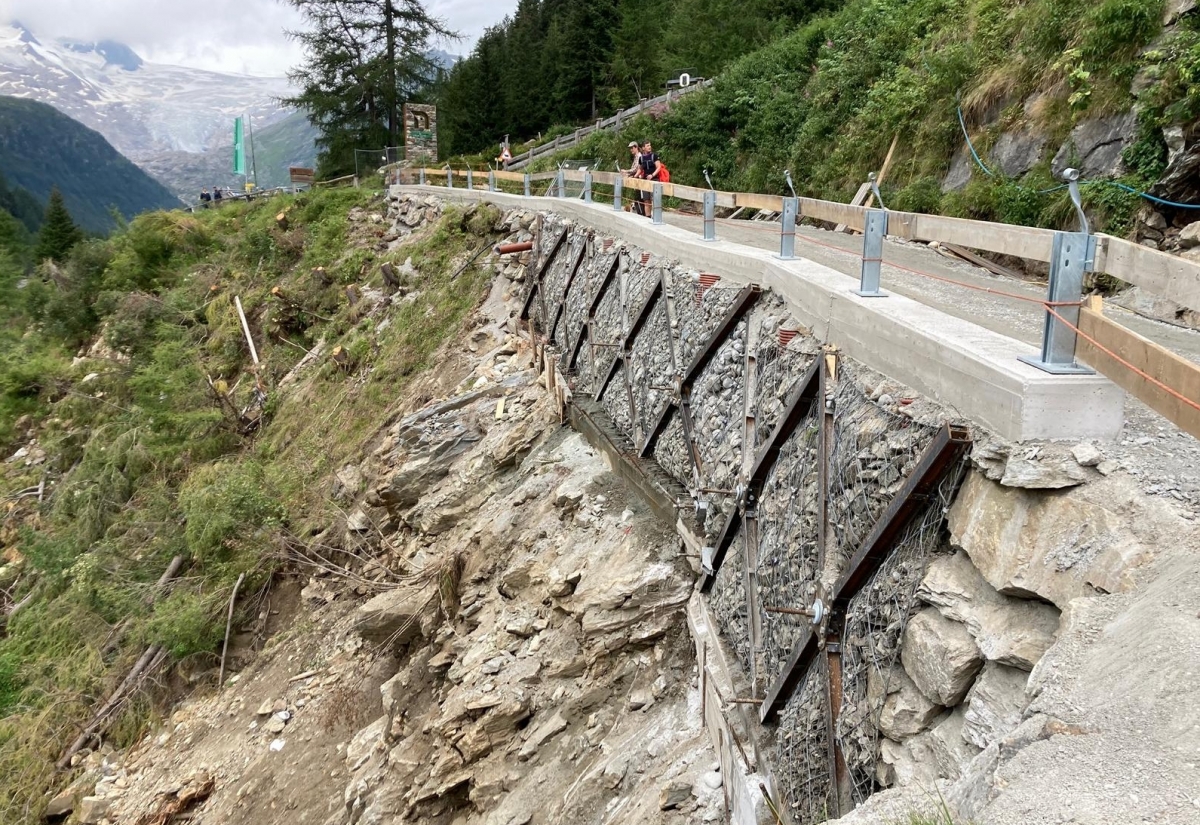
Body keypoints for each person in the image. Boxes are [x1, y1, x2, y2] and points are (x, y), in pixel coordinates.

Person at [626, 140, 645, 216]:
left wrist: (626, 171)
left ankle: (642, 215)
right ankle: (640, 214)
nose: (631, 150)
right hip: (636, 179)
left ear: (636, 147)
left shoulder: (639, 156)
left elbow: (636, 168)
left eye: (632, 148)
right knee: (637, 198)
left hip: (640, 180)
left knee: (640, 198)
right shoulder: (636, 157)